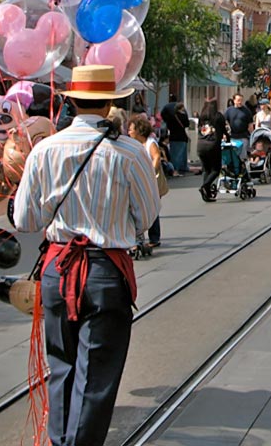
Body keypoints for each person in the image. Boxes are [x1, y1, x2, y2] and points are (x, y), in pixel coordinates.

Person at [13, 65, 160, 446]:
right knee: (96, 376)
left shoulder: (44, 150)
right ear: (111, 101)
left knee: (61, 366)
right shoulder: (129, 152)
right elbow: (146, 217)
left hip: (58, 270)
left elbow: (25, 219)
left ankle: (61, 440)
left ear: (70, 101)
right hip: (105, 271)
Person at [128, 115, 166, 249]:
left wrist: (150, 173)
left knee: (151, 207)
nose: (129, 132)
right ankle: (138, 237)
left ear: (139, 130)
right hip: (140, 180)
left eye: (131, 129)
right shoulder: (134, 144)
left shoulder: (150, 142)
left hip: (152, 181)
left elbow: (156, 157)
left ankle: (154, 238)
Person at [196, 100, 228, 202]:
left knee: (206, 170)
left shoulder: (201, 117)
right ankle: (205, 186)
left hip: (201, 145)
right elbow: (224, 130)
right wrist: (228, 138)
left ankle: (207, 193)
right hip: (213, 145)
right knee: (216, 169)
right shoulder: (218, 116)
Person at [159, 96, 191, 175]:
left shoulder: (169, 115)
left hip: (174, 136)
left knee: (175, 155)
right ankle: (182, 168)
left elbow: (162, 115)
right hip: (182, 136)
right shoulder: (183, 115)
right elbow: (187, 124)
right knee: (182, 154)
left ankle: (174, 170)